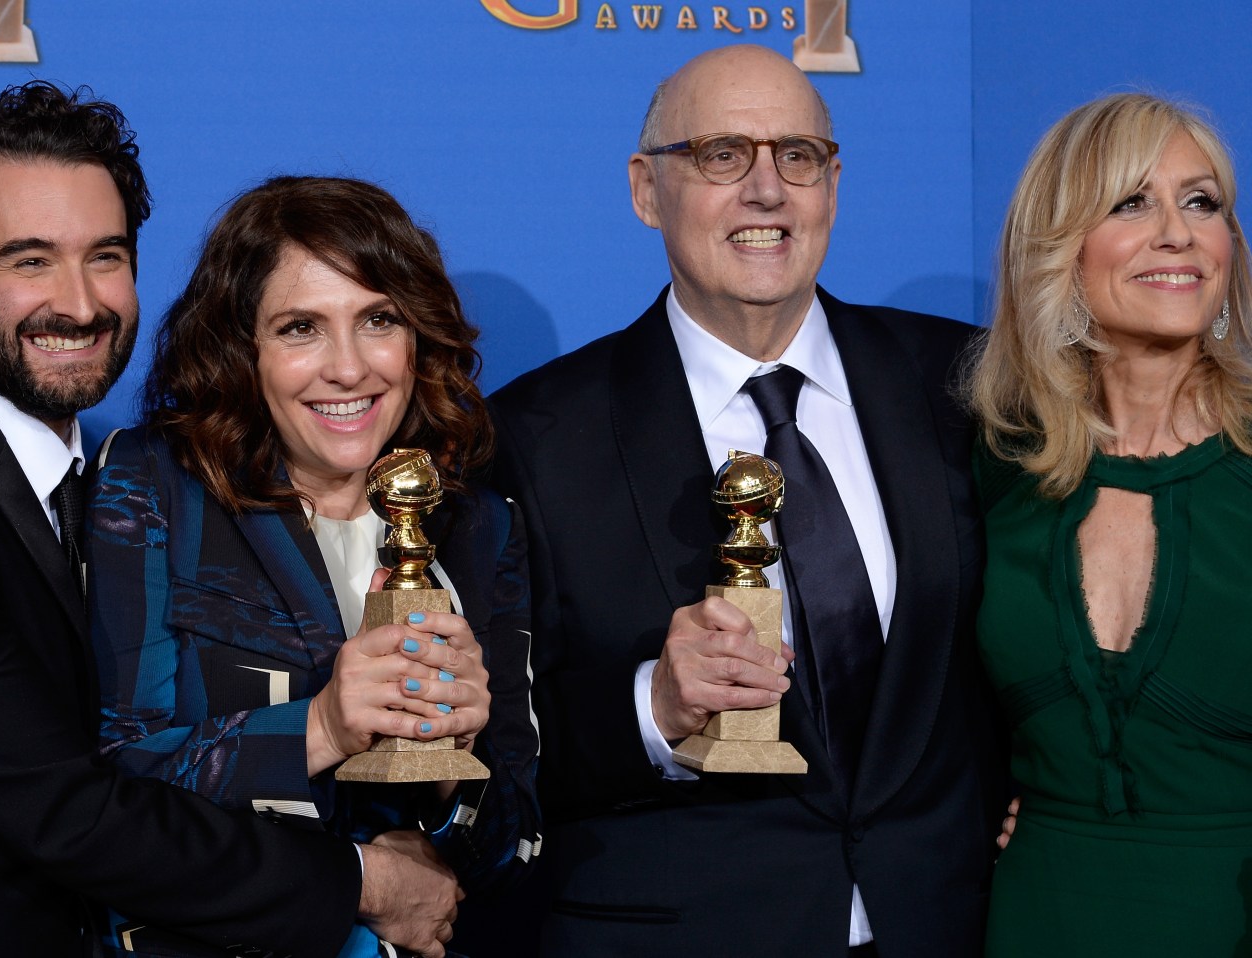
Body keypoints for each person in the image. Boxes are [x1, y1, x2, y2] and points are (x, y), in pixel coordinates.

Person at [0, 83, 456, 958]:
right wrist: (363, 882)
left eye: (105, 257)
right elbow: (70, 813)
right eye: (30, 261)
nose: (80, 304)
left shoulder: (99, 476)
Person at [486, 44, 1003, 957]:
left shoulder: (967, 387)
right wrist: (655, 707)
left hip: (947, 923)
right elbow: (488, 744)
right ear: (647, 190)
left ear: (832, 186)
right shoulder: (534, 436)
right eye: (723, 154)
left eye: (797, 156)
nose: (767, 190)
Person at [84, 175, 540, 958]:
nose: (349, 367)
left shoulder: (475, 524)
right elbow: (112, 782)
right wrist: (322, 726)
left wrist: (445, 772)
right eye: (301, 328)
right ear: (241, 348)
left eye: (378, 320)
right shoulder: (158, 486)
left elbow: (514, 846)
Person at [967, 92, 1252, 956]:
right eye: (1132, 203)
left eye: (1202, 203)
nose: (1178, 233)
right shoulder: (994, 465)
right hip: (1031, 914)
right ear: (1060, 247)